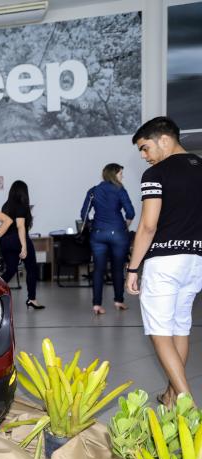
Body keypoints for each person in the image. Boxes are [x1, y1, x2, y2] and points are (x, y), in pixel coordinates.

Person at [126, 116, 202, 407]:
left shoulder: (156, 174)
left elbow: (148, 226)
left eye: (145, 148)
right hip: (195, 261)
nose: (144, 156)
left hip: (165, 263)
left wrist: (133, 267)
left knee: (159, 332)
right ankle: (170, 395)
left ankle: (186, 402)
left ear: (165, 139)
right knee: (179, 328)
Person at [80, 163, 135, 315]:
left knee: (98, 269)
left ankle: (97, 305)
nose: (122, 176)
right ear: (114, 174)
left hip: (98, 234)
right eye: (121, 173)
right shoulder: (120, 190)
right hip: (118, 233)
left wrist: (93, 226)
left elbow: (84, 214)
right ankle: (119, 301)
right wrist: (124, 226)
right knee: (117, 268)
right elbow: (130, 213)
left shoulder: (93, 191)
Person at [0, 180, 44, 309]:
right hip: (19, 240)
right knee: (32, 269)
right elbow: (20, 226)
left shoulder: (5, 206)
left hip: (6, 241)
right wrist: (24, 246)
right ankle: (32, 299)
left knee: (11, 270)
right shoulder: (22, 206)